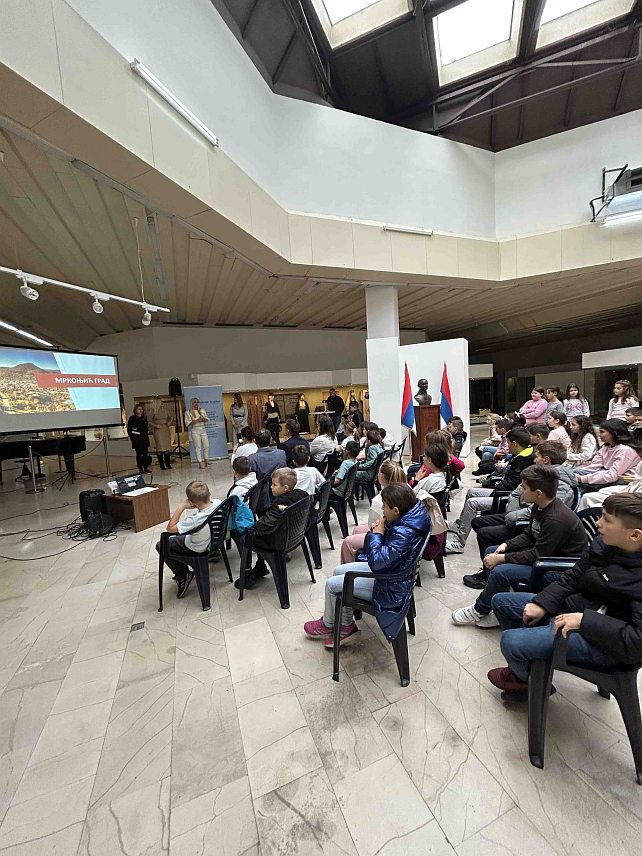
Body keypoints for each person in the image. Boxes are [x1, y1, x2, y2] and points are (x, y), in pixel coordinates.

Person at [487, 493, 642, 701]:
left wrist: (585, 621)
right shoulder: (604, 545)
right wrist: (543, 604)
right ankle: (528, 670)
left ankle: (528, 681)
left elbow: (636, 642)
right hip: (578, 610)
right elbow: (573, 576)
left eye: (607, 519)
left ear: (634, 535)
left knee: (510, 642)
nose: (598, 523)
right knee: (501, 603)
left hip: (604, 643)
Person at [452, 465, 588, 628]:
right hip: (545, 555)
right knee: (491, 550)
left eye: (524, 488)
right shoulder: (539, 506)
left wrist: (503, 558)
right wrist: (506, 545)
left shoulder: (555, 519)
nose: (521, 491)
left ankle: (479, 609)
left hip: (555, 568)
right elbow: (530, 534)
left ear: (538, 493)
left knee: (501, 571)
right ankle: (494, 603)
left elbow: (538, 554)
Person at [303, 483, 431, 646]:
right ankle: (344, 623)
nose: (382, 510)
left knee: (331, 585)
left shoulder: (405, 533)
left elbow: (377, 562)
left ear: (395, 510)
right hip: (392, 573)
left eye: (384, 506)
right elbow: (388, 554)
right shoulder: (410, 517)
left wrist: (377, 535)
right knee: (338, 571)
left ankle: (333, 625)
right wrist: (380, 531)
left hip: (390, 587)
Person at [466, 442, 579, 589]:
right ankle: (490, 575)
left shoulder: (555, 509)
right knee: (484, 535)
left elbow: (539, 552)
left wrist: (503, 557)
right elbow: (517, 496)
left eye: (536, 456)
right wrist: (508, 541)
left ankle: (490, 579)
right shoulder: (538, 493)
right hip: (526, 527)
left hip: (544, 551)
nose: (533, 459)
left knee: (490, 545)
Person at [446, 427, 535, 554]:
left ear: (515, 444)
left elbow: (511, 485)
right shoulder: (522, 454)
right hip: (501, 491)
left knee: (472, 503)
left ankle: (459, 542)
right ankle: (459, 524)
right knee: (471, 492)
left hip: (506, 496)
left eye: (508, 443)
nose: (507, 446)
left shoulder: (523, 461)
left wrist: (494, 487)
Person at [237, 468, 309, 590]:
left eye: (274, 485)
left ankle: (247, 573)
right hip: (295, 536)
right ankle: (260, 566)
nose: (271, 487)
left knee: (244, 535)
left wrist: (250, 526)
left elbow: (261, 526)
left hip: (278, 542)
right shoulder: (303, 496)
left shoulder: (279, 506)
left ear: (285, 488)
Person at [156, 480, 220, 598]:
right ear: (209, 494)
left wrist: (182, 507)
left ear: (191, 503)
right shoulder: (218, 503)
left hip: (196, 548)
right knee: (179, 536)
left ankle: (182, 574)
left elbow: (170, 528)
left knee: (161, 545)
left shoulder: (195, 520)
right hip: (214, 541)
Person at [340, 461, 407, 563]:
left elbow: (372, 527)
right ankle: (357, 560)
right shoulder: (407, 491)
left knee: (347, 542)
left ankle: (348, 569)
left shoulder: (379, 500)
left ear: (381, 476)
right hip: (395, 532)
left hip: (386, 538)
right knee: (357, 529)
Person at [575, 419, 641, 495]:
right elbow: (593, 467)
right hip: (607, 474)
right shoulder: (606, 447)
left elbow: (613, 476)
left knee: (577, 484)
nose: (599, 435)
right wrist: (576, 474)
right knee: (574, 474)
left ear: (614, 433)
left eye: (602, 432)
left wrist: (582, 478)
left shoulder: (625, 450)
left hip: (622, 479)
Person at [248, 429, 287, 511]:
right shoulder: (281, 454)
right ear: (271, 440)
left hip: (261, 498)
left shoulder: (252, 459)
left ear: (255, 441)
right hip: (280, 494)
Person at [185, 397, 210, 469]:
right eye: (195, 402)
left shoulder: (202, 410)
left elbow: (206, 419)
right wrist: (197, 420)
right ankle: (200, 461)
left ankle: (206, 459)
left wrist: (204, 419)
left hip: (203, 429)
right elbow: (188, 423)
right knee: (198, 447)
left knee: (206, 445)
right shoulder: (188, 412)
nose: (196, 404)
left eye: (197, 402)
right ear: (192, 403)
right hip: (195, 430)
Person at [127, 403, 151, 474]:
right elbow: (130, 430)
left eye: (141, 409)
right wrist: (133, 437)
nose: (141, 411)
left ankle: (146, 467)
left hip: (144, 438)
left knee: (145, 453)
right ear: (135, 410)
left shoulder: (144, 418)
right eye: (139, 409)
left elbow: (146, 428)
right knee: (139, 454)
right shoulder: (132, 418)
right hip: (137, 439)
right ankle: (140, 468)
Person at [148, 404, 172, 471]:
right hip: (158, 430)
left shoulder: (165, 410)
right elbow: (149, 421)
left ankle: (168, 464)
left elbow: (171, 417)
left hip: (165, 429)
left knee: (167, 447)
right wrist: (155, 425)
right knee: (160, 446)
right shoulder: (152, 411)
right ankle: (162, 465)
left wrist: (169, 422)